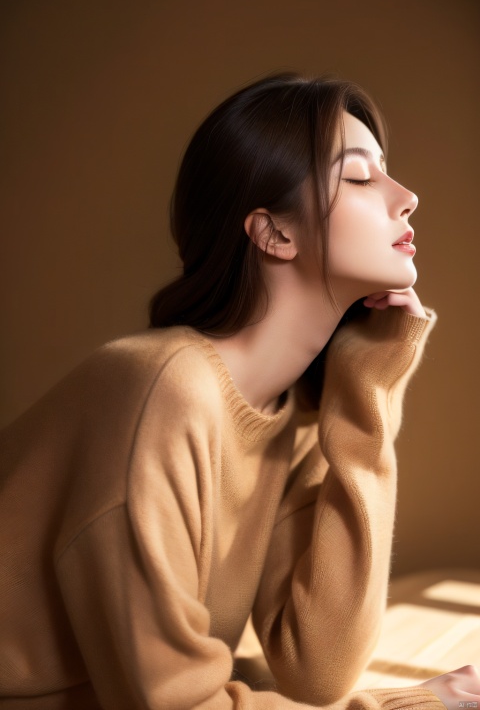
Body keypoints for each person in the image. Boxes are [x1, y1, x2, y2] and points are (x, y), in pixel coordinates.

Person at [0, 72, 478, 710]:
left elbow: (316, 668)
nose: (407, 196)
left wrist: (368, 393)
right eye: (360, 177)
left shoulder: (294, 415)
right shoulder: (162, 390)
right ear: (273, 233)